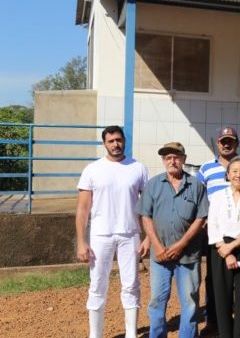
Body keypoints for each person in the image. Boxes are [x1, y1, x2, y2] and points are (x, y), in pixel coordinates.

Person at [76, 125, 149, 338]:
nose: (115, 144)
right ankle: (95, 334)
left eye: (118, 140)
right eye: (111, 141)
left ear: (124, 140)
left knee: (131, 284)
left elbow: (146, 207)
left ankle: (131, 334)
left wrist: (147, 238)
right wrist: (81, 241)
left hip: (130, 234)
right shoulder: (92, 169)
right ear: (104, 143)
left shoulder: (139, 168)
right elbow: (82, 208)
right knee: (98, 284)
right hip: (101, 235)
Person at [197, 126, 240, 337]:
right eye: (234, 172)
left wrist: (232, 248)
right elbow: (213, 225)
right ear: (227, 175)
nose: (238, 175)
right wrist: (224, 249)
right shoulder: (217, 197)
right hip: (219, 250)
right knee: (221, 295)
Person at [137, 142, 209, 338]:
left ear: (184, 159)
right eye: (168, 157)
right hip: (159, 256)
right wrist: (157, 246)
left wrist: (181, 244)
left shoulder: (196, 186)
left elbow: (201, 218)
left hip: (188, 254)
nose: (172, 161)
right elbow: (146, 216)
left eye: (176, 157)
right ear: (163, 160)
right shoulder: (153, 184)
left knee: (190, 301)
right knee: (157, 301)